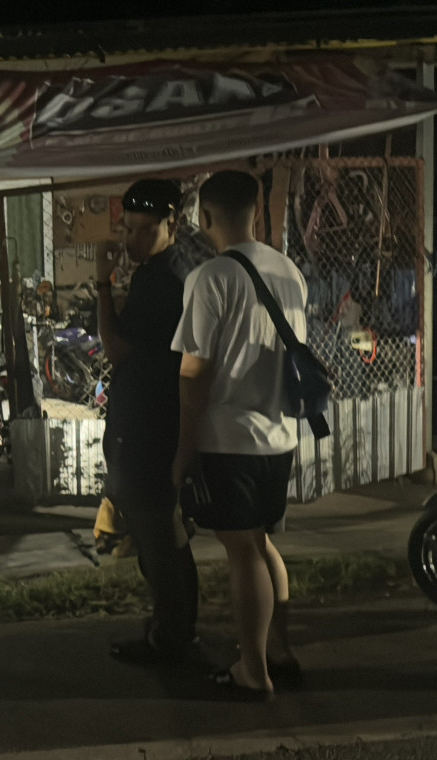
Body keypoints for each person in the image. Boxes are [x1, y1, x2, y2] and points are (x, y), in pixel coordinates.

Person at [171, 171, 307, 698]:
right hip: (280, 435)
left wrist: (182, 453)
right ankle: (277, 649)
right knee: (260, 543)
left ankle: (253, 670)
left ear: (204, 217)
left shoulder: (210, 278)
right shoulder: (289, 271)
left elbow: (194, 374)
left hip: (229, 440)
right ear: (256, 210)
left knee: (242, 551)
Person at [98, 179, 201, 666]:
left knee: (156, 534)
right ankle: (176, 629)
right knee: (165, 531)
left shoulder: (159, 279)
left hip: (149, 423)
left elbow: (118, 350)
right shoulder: (180, 269)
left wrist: (102, 286)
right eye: (128, 229)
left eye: (144, 229)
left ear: (172, 224)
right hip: (164, 417)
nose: (132, 240)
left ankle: (171, 636)